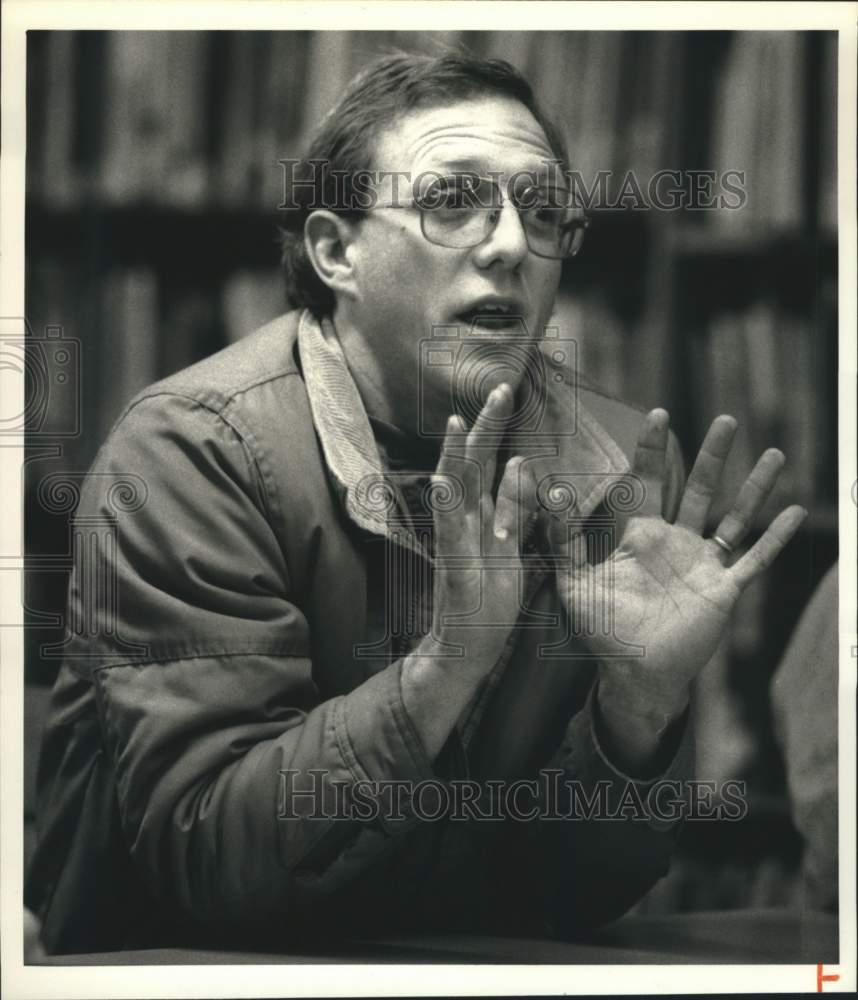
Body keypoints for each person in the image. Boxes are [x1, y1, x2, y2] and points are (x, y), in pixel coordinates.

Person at [25, 51, 806, 955]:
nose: (511, 245)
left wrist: (637, 709)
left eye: (542, 211)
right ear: (336, 252)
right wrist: (445, 669)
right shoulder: (192, 451)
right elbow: (208, 859)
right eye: (452, 202)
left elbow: (571, 896)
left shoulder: (612, 470)